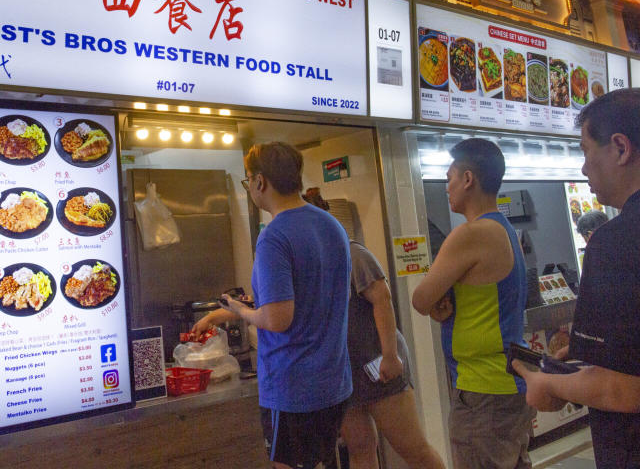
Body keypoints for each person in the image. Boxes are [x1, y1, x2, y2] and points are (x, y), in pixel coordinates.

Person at [192, 143, 352, 469]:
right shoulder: (330, 224)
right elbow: (314, 296)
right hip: (333, 381)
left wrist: (240, 311)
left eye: (247, 180)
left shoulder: (274, 235)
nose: (249, 187)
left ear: (260, 182)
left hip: (293, 388)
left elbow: (278, 319)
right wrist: (230, 310)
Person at [512, 88, 640, 468]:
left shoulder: (616, 241)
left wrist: (547, 383)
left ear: (620, 148)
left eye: (585, 151)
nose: (583, 168)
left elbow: (624, 388)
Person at [411, 138, 533, 469]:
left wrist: (438, 295)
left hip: (483, 393)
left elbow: (420, 299)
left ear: (468, 179)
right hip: (509, 384)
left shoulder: (471, 234)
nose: (446, 186)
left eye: (449, 177)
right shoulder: (505, 230)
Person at [302, 188, 445, 469]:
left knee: (413, 450)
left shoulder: (352, 253)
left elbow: (383, 300)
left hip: (379, 366)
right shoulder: (309, 264)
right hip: (344, 374)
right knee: (360, 448)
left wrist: (390, 356)